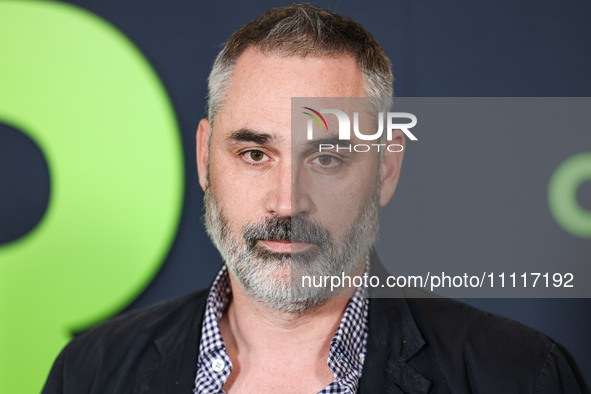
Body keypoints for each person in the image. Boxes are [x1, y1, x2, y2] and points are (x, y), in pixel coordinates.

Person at [42, 4, 588, 393]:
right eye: (255, 154)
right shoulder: (89, 373)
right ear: (207, 155)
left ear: (386, 168)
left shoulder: (520, 376)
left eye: (327, 158)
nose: (287, 202)